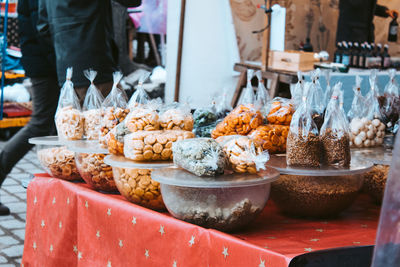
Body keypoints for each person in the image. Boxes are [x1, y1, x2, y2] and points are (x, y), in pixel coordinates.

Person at [0, 0, 59, 215]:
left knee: (53, 127)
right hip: (46, 64)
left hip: (45, 61)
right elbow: (42, 27)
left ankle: (56, 195)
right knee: (41, 125)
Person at [37, 0, 141, 104]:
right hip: (97, 68)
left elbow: (43, 27)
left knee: (74, 118)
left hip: (67, 72)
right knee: (114, 117)